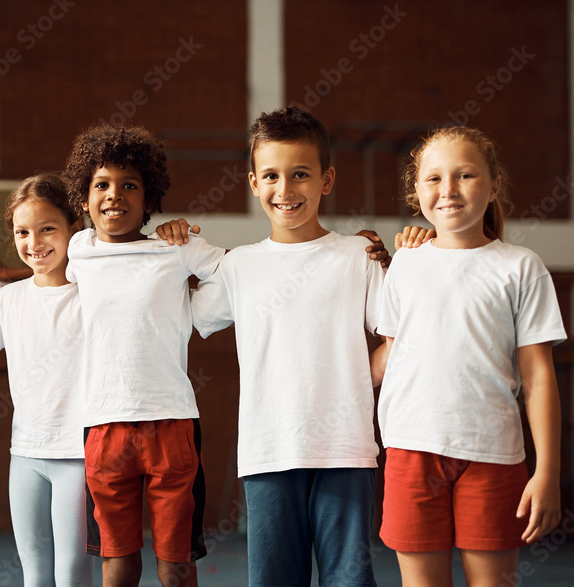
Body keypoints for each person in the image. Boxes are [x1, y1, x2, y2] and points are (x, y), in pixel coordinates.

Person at [183, 107, 384, 587]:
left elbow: (400, 337)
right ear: (253, 182)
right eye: (271, 175)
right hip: (268, 450)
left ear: (326, 179)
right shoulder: (239, 267)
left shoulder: (359, 255)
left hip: (345, 450)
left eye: (300, 175)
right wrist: (174, 245)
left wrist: (360, 378)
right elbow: (177, 318)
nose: (286, 189)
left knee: (349, 580)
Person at [373, 126, 566, 586]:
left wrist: (548, 472)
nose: (448, 190)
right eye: (434, 179)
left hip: (493, 454)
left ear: (494, 184)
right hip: (411, 451)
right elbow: (392, 356)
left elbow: (538, 378)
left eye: (465, 175)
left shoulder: (520, 267)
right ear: (416, 190)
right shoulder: (405, 264)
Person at [62, 124, 225, 587]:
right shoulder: (78, 249)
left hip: (171, 424)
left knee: (175, 564)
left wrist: (196, 315)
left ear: (149, 198)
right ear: (85, 196)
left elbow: (235, 274)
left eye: (129, 185)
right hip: (103, 425)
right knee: (117, 562)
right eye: (102, 185)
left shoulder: (176, 248)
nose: (115, 195)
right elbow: (40, 271)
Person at [0, 173, 94, 587]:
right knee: (35, 572)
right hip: (24, 455)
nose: (34, 242)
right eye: (23, 232)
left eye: (47, 229)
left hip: (79, 454)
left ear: (74, 228)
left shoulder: (93, 295)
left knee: (72, 571)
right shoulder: (6, 302)